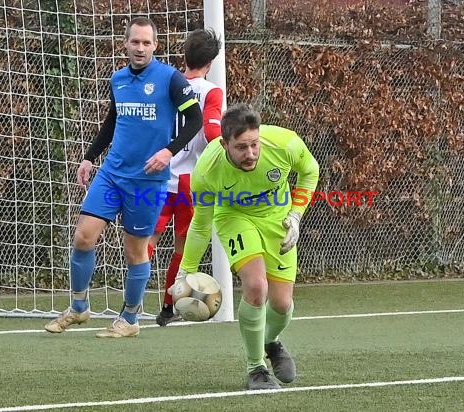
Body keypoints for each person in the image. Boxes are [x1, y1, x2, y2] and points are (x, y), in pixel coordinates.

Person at [44, 17, 203, 338]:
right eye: (135, 42)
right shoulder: (117, 79)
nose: (140, 48)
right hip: (112, 173)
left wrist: (168, 152)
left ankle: (130, 319)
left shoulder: (171, 79)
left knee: (135, 252)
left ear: (155, 46)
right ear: (125, 44)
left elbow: (195, 120)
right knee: (83, 237)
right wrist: (90, 157)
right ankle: (78, 307)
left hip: (148, 180)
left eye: (146, 43)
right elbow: (112, 122)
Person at [172, 103, 319, 389]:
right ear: (224, 143)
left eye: (254, 144)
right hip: (234, 218)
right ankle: (257, 370)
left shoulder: (284, 143)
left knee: (282, 304)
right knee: (256, 287)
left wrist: (296, 214)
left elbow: (309, 171)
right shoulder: (206, 172)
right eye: (241, 147)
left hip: (278, 219)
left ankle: (270, 342)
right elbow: (201, 224)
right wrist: (186, 272)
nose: (250, 153)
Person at [147, 28, 224, 327]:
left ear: (185, 56)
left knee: (147, 241)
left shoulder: (168, 84)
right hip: (192, 182)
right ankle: (168, 307)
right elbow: (211, 131)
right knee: (183, 248)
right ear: (211, 62)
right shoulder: (211, 92)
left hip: (160, 175)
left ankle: (131, 304)